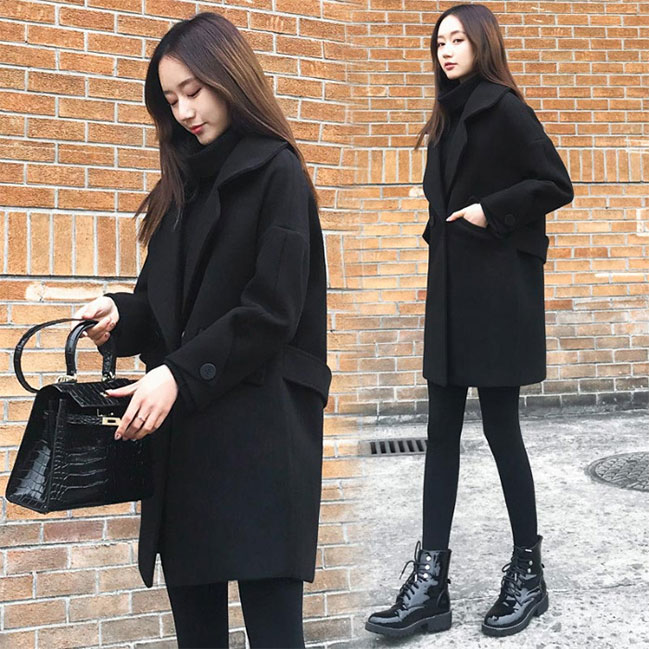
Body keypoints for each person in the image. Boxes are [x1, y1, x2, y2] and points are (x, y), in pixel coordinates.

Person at [73, 12, 331, 649]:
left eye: (194, 90)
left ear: (230, 79)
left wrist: (176, 376)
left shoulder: (278, 173)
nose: (184, 111)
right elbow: (167, 307)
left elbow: (272, 311)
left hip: (262, 438)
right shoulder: (181, 185)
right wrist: (121, 315)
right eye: (170, 99)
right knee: (197, 635)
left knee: (274, 634)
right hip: (187, 443)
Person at [365, 3, 574, 640]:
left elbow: (556, 183)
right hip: (453, 295)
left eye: (457, 39)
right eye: (439, 42)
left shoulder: (503, 107)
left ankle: (529, 573)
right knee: (441, 434)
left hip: (498, 298)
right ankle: (431, 583)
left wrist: (490, 211)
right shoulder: (446, 115)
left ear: (482, 43)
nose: (446, 50)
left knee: (502, 430)